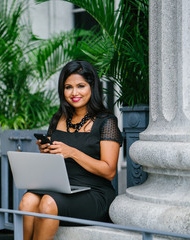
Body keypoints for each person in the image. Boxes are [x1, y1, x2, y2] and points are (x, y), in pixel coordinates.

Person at [18, 60, 123, 240]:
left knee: (48, 203)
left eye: (81, 86)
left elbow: (109, 171)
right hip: (63, 189)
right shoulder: (58, 118)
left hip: (94, 193)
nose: (74, 93)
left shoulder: (106, 122)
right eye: (68, 87)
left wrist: (72, 152)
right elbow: (54, 164)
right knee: (27, 201)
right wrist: (46, 153)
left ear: (92, 87)